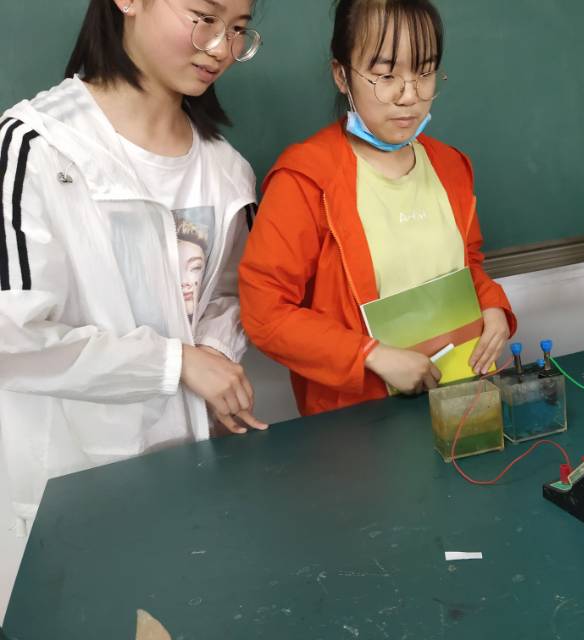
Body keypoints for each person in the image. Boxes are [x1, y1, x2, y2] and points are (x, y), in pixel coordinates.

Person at [0, 0, 267, 528]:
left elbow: (231, 292)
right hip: (70, 482)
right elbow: (13, 336)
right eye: (204, 18)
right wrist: (175, 363)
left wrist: (214, 355)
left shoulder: (227, 172)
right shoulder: (38, 148)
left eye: (238, 29)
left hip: (191, 470)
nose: (221, 48)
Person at [239, 0, 516, 416]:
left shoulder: (450, 167)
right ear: (342, 75)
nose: (409, 96)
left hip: (460, 402)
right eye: (386, 76)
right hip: (360, 423)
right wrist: (371, 355)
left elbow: (468, 265)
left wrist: (493, 306)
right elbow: (266, 312)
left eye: (424, 73)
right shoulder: (305, 178)